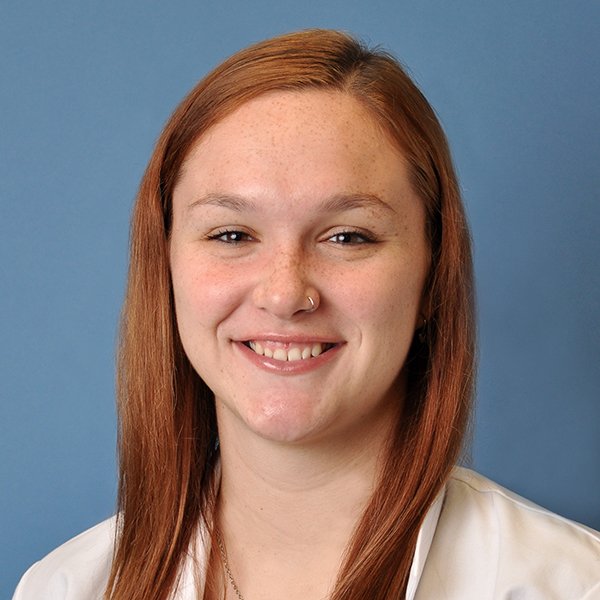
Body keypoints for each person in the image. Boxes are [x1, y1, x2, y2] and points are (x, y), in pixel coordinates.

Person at [13, 29, 600, 600]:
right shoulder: (66, 588)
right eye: (232, 234)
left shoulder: (573, 585)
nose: (285, 293)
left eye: (347, 236)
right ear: (163, 267)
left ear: (431, 278)